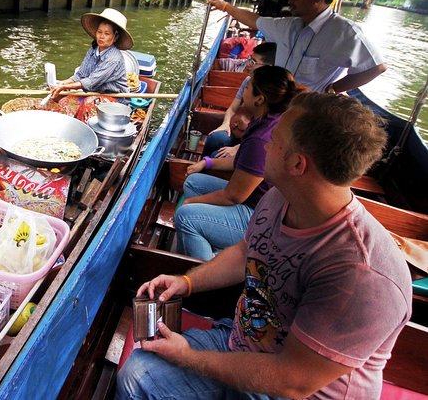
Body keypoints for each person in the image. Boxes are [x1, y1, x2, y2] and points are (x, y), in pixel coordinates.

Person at [117, 93, 412, 400]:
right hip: (242, 343)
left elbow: (293, 381)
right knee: (138, 376)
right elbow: (248, 251)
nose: (266, 144)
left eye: (276, 138)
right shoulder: (280, 197)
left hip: (292, 391)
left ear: (297, 164)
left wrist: (187, 356)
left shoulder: (362, 275)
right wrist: (187, 282)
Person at [174, 66, 306, 261]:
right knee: (192, 182)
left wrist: (190, 203)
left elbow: (233, 196)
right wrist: (207, 163)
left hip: (259, 216)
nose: (243, 91)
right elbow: (241, 163)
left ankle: (210, 269)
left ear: (259, 99)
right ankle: (212, 236)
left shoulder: (262, 138)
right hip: (255, 201)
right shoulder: (263, 120)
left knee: (185, 215)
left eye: (247, 87)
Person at [208, 0, 386, 93]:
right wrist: (225, 7)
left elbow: (376, 67)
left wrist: (333, 89)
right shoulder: (289, 26)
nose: (290, 0)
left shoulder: (344, 33)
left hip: (307, 113)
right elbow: (256, 21)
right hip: (277, 104)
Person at [204, 42, 277, 158]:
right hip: (240, 131)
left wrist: (238, 148)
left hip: (256, 141)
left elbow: (266, 133)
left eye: (253, 62)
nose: (248, 65)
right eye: (250, 59)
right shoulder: (248, 80)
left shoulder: (275, 93)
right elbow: (233, 108)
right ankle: (202, 167)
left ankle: (206, 167)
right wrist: (225, 124)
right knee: (216, 138)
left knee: (216, 155)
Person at [49, 8, 132, 100]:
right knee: (57, 95)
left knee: (78, 99)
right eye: (99, 32)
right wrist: (63, 83)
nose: (101, 36)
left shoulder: (114, 58)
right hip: (96, 92)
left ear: (115, 37)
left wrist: (65, 87)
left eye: (107, 33)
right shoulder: (93, 49)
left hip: (115, 98)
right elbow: (81, 74)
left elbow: (92, 81)